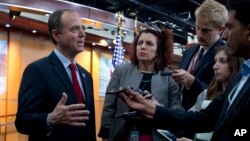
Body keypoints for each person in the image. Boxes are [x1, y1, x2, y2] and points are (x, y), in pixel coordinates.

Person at [120, 0, 250, 140]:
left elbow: (240, 131)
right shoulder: (241, 76)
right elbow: (205, 118)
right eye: (197, 28)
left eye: (230, 27)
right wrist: (152, 109)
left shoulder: (237, 72)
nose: (224, 35)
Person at [15, 9, 96, 141]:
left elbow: (89, 124)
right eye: (75, 29)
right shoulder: (37, 70)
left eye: (83, 28)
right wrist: (49, 119)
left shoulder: (86, 76)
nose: (82, 34)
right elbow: (22, 121)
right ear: (56, 35)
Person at [98, 28, 184, 141]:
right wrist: (105, 133)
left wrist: (158, 109)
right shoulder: (121, 71)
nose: (143, 47)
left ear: (159, 50)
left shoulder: (169, 78)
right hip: (122, 134)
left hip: (155, 135)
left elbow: (177, 113)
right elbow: (109, 106)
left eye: (149, 44)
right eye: (140, 43)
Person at [178, 46, 243, 141]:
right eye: (215, 61)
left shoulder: (242, 97)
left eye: (222, 61)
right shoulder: (207, 93)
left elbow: (240, 132)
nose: (215, 66)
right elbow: (190, 120)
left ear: (235, 63)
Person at [172, 0, 228, 110]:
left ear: (220, 29)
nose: (199, 34)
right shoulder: (189, 51)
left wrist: (193, 82)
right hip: (179, 112)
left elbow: (222, 93)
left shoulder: (226, 55)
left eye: (206, 30)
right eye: (197, 27)